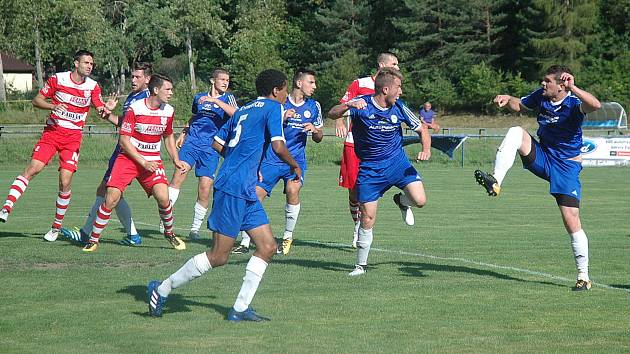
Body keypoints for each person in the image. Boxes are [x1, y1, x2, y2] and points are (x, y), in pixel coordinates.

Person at [147, 69, 301, 322]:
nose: (285, 95)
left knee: (267, 246)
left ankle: (240, 309)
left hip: (244, 187)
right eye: (284, 89)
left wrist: (242, 164)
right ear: (277, 90)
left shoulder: (244, 109)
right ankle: (161, 288)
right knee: (219, 256)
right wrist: (294, 165)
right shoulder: (274, 108)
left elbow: (217, 142)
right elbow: (278, 145)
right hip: (233, 189)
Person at [474, 65, 601, 291]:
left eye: (547, 81)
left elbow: (595, 105)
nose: (543, 84)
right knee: (516, 131)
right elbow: (519, 105)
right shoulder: (540, 97)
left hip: (565, 167)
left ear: (562, 86)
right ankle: (495, 181)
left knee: (571, 221)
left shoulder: (573, 104)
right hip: (543, 156)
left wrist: (574, 87)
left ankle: (583, 276)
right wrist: (507, 98)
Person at [328, 68, 431, 276]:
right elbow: (332, 114)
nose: (401, 91)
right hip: (370, 169)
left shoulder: (400, 107)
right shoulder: (362, 105)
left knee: (420, 200)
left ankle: (402, 201)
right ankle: (360, 266)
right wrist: (348, 104)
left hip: (398, 165)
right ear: (386, 89)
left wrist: (426, 149)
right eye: (398, 87)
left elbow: (422, 129)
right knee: (367, 218)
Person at [0, 50, 109, 241]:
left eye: (91, 64)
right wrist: (53, 106)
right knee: (33, 168)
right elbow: (37, 100)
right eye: (86, 63)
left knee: (65, 181)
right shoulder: (58, 79)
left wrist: (106, 108)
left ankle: (56, 227)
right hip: (53, 133)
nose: (89, 66)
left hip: (73, 138)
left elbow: (100, 108)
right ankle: (6, 207)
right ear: (76, 63)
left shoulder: (93, 86)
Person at [80, 74, 186, 252]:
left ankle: (169, 234)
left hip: (152, 160)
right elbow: (124, 142)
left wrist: (175, 159)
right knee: (111, 197)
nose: (171, 93)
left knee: (163, 197)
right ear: (156, 90)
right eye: (168, 89)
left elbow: (168, 136)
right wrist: (143, 162)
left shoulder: (169, 111)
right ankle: (93, 239)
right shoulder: (135, 109)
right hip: (129, 158)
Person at [232, 68, 323, 255]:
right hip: (272, 158)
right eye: (311, 82)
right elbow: (264, 129)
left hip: (295, 159)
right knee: (255, 195)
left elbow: (319, 137)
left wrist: (315, 130)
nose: (314, 86)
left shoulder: (314, 106)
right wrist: (281, 119)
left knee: (292, 190)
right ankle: (245, 241)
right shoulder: (279, 104)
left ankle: (287, 237)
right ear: (299, 83)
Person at [60, 62, 153, 246]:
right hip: (122, 150)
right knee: (110, 193)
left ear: (148, 79)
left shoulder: (146, 98)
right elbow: (125, 123)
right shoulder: (133, 97)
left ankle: (87, 234)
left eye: (137, 77)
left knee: (107, 191)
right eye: (132, 76)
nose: (133, 80)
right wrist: (107, 115)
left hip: (129, 152)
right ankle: (132, 236)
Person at [335, 52, 400, 248]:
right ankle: (357, 226)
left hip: (381, 148)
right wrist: (339, 121)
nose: (397, 67)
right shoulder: (360, 83)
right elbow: (342, 105)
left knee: (367, 189)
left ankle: (365, 228)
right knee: (354, 190)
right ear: (381, 64)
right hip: (355, 143)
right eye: (394, 63)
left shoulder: (395, 87)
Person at [164, 69, 238, 240]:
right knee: (177, 178)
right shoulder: (199, 98)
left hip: (211, 148)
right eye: (222, 79)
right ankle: (165, 220)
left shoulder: (228, 98)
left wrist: (215, 101)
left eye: (228, 80)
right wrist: (184, 132)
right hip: (191, 143)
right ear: (213, 80)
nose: (226, 83)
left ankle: (194, 229)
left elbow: (236, 114)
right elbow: (195, 116)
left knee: (204, 189)